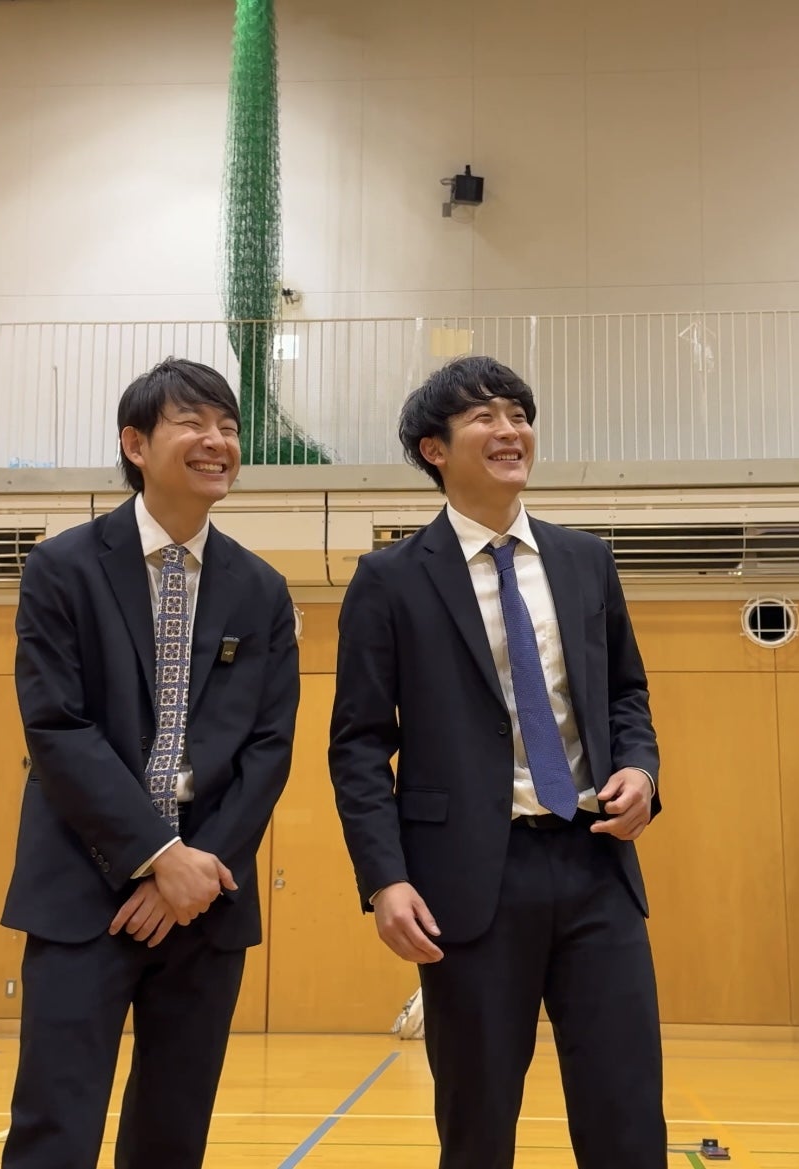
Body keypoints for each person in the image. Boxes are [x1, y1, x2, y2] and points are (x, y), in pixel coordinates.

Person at [329, 355, 665, 1169]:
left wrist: (642, 769)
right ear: (433, 449)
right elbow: (359, 743)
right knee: (477, 1123)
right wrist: (385, 878)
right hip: (467, 881)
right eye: (484, 416)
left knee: (627, 1115)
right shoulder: (389, 579)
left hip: (597, 863)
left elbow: (626, 691)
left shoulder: (585, 559)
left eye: (519, 414)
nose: (511, 430)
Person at [1, 358, 299, 1168]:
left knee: (173, 1134)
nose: (217, 441)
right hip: (81, 885)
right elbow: (57, 727)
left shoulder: (263, 588)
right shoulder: (62, 567)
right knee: (53, 1127)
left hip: (208, 898)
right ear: (135, 444)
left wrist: (193, 872)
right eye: (193, 423)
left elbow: (270, 746)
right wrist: (156, 855)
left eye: (229, 427)